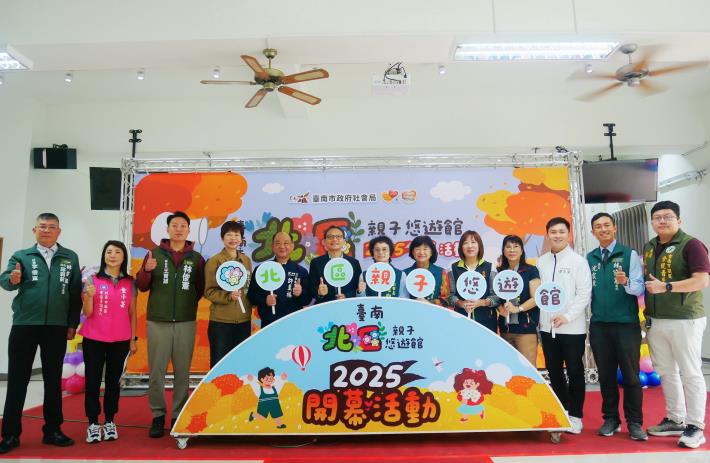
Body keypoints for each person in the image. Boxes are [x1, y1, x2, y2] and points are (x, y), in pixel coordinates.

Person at [0, 213, 81, 454]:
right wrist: (12, 279)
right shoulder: (22, 256)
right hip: (25, 325)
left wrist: (71, 324)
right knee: (17, 380)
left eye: (51, 227)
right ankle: (10, 434)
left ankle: (53, 431)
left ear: (59, 231)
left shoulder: (69, 257)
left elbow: (74, 293)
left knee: (53, 381)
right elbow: (6, 281)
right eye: (42, 226)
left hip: (56, 327)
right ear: (35, 230)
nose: (47, 230)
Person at [642, 201, 710, 449]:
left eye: (667, 217)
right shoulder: (650, 246)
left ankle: (696, 426)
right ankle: (675, 419)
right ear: (652, 222)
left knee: (690, 372)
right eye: (657, 217)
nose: (662, 221)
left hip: (685, 319)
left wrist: (667, 287)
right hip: (656, 320)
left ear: (679, 220)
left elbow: (702, 280)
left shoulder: (692, 245)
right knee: (666, 372)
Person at [136, 211, 205, 438]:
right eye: (174, 225)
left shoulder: (197, 258)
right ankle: (157, 415)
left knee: (182, 372)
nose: (178, 229)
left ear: (188, 230)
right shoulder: (153, 254)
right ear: (167, 229)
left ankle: (178, 415)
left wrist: (186, 305)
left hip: (186, 321)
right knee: (156, 371)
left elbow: (199, 289)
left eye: (183, 226)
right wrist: (146, 271)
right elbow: (142, 286)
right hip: (158, 321)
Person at [586, 213, 647, 441]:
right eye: (598, 227)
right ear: (592, 232)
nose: (603, 229)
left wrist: (627, 282)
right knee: (606, 375)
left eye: (606, 225)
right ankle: (611, 419)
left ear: (615, 228)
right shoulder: (589, 258)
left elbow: (639, 288)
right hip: (599, 325)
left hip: (626, 325)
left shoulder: (629, 254)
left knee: (631, 376)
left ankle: (635, 422)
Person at [537, 217, 592, 435]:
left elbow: (584, 294)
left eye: (561, 231)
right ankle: (563, 410)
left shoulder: (578, 262)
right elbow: (538, 294)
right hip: (547, 327)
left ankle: (576, 415)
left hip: (572, 328)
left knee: (575, 370)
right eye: (553, 232)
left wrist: (567, 317)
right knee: (554, 371)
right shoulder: (541, 262)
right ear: (547, 235)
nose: (557, 235)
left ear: (568, 234)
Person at [80, 240, 138, 443]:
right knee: (93, 381)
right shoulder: (92, 279)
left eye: (117, 252)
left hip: (120, 339)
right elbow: (87, 313)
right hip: (94, 338)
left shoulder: (130, 282)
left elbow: (133, 312)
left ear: (123, 257)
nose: (112, 255)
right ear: (104, 255)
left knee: (113, 382)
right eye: (109, 252)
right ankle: (93, 423)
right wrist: (89, 297)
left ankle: (110, 420)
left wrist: (133, 339)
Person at [204, 221, 253, 367]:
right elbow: (209, 291)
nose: (233, 238)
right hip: (221, 322)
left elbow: (248, 287)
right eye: (229, 235)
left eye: (237, 235)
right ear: (222, 238)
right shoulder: (214, 261)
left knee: (240, 364)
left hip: (243, 320)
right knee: (219, 365)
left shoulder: (246, 261)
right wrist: (227, 296)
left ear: (241, 238)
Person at [248, 232, 311, 328]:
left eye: (286, 243)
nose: (282, 246)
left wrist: (300, 293)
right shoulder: (262, 269)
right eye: (277, 243)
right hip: (269, 324)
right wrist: (265, 300)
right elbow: (251, 295)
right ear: (272, 247)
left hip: (294, 323)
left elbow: (307, 300)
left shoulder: (301, 271)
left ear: (292, 246)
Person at [496, 235, 541, 365]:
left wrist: (518, 308)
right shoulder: (499, 272)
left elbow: (536, 298)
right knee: (508, 369)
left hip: (525, 329)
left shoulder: (531, 270)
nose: (512, 250)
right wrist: (499, 308)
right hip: (505, 329)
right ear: (503, 251)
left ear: (522, 251)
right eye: (508, 247)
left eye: (516, 246)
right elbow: (495, 298)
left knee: (528, 369)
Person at [448, 230, 500, 332]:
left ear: (479, 246)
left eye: (473, 242)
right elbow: (450, 296)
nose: (470, 246)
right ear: (461, 247)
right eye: (466, 243)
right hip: (461, 320)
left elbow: (497, 297)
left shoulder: (490, 267)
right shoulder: (453, 268)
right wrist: (461, 303)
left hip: (487, 321)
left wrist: (482, 302)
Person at [308, 226, 362, 303]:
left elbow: (358, 288)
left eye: (338, 236)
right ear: (324, 242)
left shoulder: (354, 263)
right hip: (325, 306)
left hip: (348, 305)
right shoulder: (316, 263)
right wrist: (319, 292)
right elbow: (311, 289)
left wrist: (346, 296)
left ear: (344, 241)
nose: (334, 239)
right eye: (330, 237)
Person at [404, 235, 450, 307]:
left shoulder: (441, 272)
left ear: (431, 252)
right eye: (417, 249)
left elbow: (446, 299)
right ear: (412, 252)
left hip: (434, 312)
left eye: (425, 249)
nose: (421, 252)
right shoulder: (404, 273)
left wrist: (429, 303)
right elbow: (402, 299)